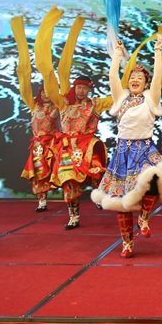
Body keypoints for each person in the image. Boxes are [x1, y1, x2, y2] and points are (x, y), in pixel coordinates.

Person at [91, 38, 162, 258]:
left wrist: (158, 51)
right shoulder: (120, 98)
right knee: (121, 202)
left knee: (154, 180)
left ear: (146, 84)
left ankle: (144, 218)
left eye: (140, 78)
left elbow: (158, 77)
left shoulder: (151, 99)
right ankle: (127, 243)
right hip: (123, 153)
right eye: (132, 77)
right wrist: (117, 53)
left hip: (145, 150)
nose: (135, 80)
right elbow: (113, 76)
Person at [48, 75, 110, 229]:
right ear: (74, 88)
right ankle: (74, 217)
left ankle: (98, 195)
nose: (81, 91)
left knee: (96, 172)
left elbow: (115, 97)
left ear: (89, 89)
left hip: (88, 145)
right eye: (79, 87)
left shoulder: (95, 104)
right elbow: (50, 91)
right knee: (69, 181)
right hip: (68, 147)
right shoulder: (64, 103)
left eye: (85, 88)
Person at [19, 86, 61, 213]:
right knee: (39, 173)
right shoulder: (34, 105)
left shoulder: (59, 105)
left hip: (54, 144)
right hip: (38, 146)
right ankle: (42, 202)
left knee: (61, 170)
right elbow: (24, 92)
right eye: (43, 92)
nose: (46, 94)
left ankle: (70, 199)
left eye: (48, 92)